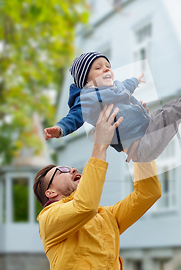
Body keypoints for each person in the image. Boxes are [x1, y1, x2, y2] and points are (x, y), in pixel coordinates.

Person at [33, 104, 162, 270]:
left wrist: (137, 141)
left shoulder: (107, 216)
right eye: (61, 171)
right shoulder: (48, 219)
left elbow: (149, 192)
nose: (72, 169)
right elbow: (85, 206)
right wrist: (100, 144)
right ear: (50, 192)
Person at [43, 52, 181, 162]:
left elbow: (127, 84)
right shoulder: (88, 98)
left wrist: (137, 80)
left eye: (108, 66)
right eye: (98, 68)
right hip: (139, 146)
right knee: (173, 115)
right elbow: (74, 117)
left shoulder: (115, 87)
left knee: (169, 110)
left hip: (147, 125)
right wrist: (59, 129)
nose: (106, 69)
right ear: (86, 80)